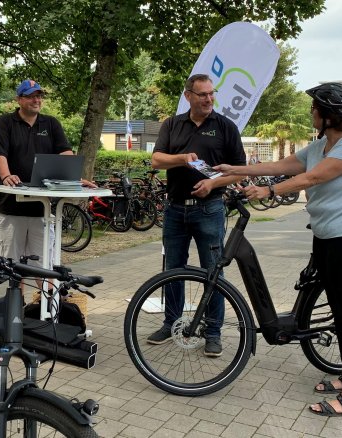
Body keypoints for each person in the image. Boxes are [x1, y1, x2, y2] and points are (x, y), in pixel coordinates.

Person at [217, 82, 342, 417]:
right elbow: (282, 166)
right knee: (339, 310)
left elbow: (310, 179)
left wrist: (268, 193)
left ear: (328, 115)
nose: (311, 112)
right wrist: (235, 169)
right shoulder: (322, 143)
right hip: (328, 236)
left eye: (314, 108)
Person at [147, 73, 246, 358]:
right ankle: (171, 323)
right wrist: (182, 157)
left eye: (212, 93)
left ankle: (213, 332)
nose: (208, 99)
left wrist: (213, 183)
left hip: (210, 209)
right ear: (188, 95)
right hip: (176, 208)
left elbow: (238, 170)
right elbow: (156, 160)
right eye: (202, 94)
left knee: (213, 272)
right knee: (172, 270)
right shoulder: (172, 124)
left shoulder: (225, 126)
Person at [0, 79, 75, 270]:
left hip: (41, 208)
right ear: (19, 99)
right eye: (31, 96)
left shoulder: (51, 124)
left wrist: (74, 177)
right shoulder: (5, 123)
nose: (36, 100)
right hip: (10, 207)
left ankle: (48, 300)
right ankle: (17, 300)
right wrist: (6, 176)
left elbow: (65, 152)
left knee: (45, 266)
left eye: (38, 96)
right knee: (12, 267)